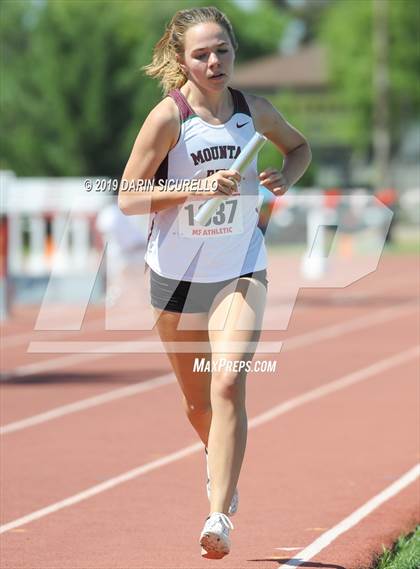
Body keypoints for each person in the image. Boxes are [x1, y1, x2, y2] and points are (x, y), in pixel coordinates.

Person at [118, 6, 311, 560]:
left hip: (240, 266)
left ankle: (218, 515)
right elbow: (129, 198)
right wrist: (197, 188)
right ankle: (221, 466)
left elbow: (299, 148)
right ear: (182, 60)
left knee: (227, 383)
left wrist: (284, 177)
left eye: (221, 50)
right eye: (201, 53)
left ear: (234, 52)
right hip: (175, 277)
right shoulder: (168, 119)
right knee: (198, 401)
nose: (213, 60)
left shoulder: (255, 111)